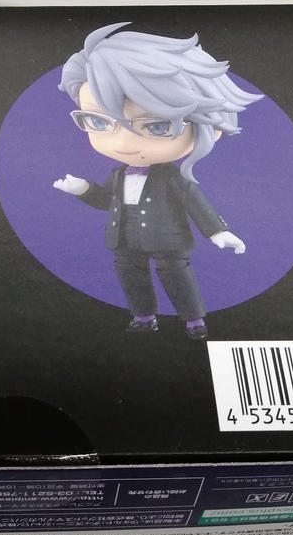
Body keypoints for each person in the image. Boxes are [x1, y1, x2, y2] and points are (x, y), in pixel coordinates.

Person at [54, 23, 260, 340]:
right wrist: (82, 189)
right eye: (98, 121)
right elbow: (107, 200)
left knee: (176, 276)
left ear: (213, 128)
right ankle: (143, 317)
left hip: (167, 238)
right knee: (130, 275)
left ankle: (194, 322)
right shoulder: (118, 174)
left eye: (157, 127)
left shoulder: (174, 178)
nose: (124, 143)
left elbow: (195, 202)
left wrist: (218, 232)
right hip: (124, 237)